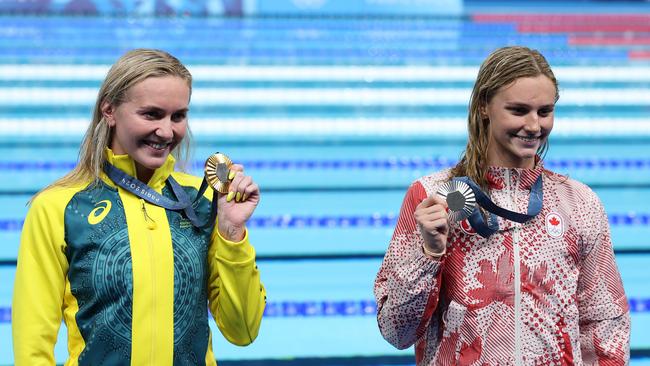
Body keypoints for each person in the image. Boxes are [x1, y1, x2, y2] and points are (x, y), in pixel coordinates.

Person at [374, 46, 630, 364]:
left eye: (545, 111)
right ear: (484, 107)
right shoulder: (430, 195)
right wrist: (429, 254)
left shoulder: (578, 202)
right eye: (519, 110)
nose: (534, 125)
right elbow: (395, 331)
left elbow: (606, 324)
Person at [12, 49, 266, 365]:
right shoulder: (59, 207)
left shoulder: (203, 200)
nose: (166, 131)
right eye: (151, 114)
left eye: (178, 116)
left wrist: (232, 232)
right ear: (109, 110)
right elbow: (32, 345)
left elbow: (243, 330)